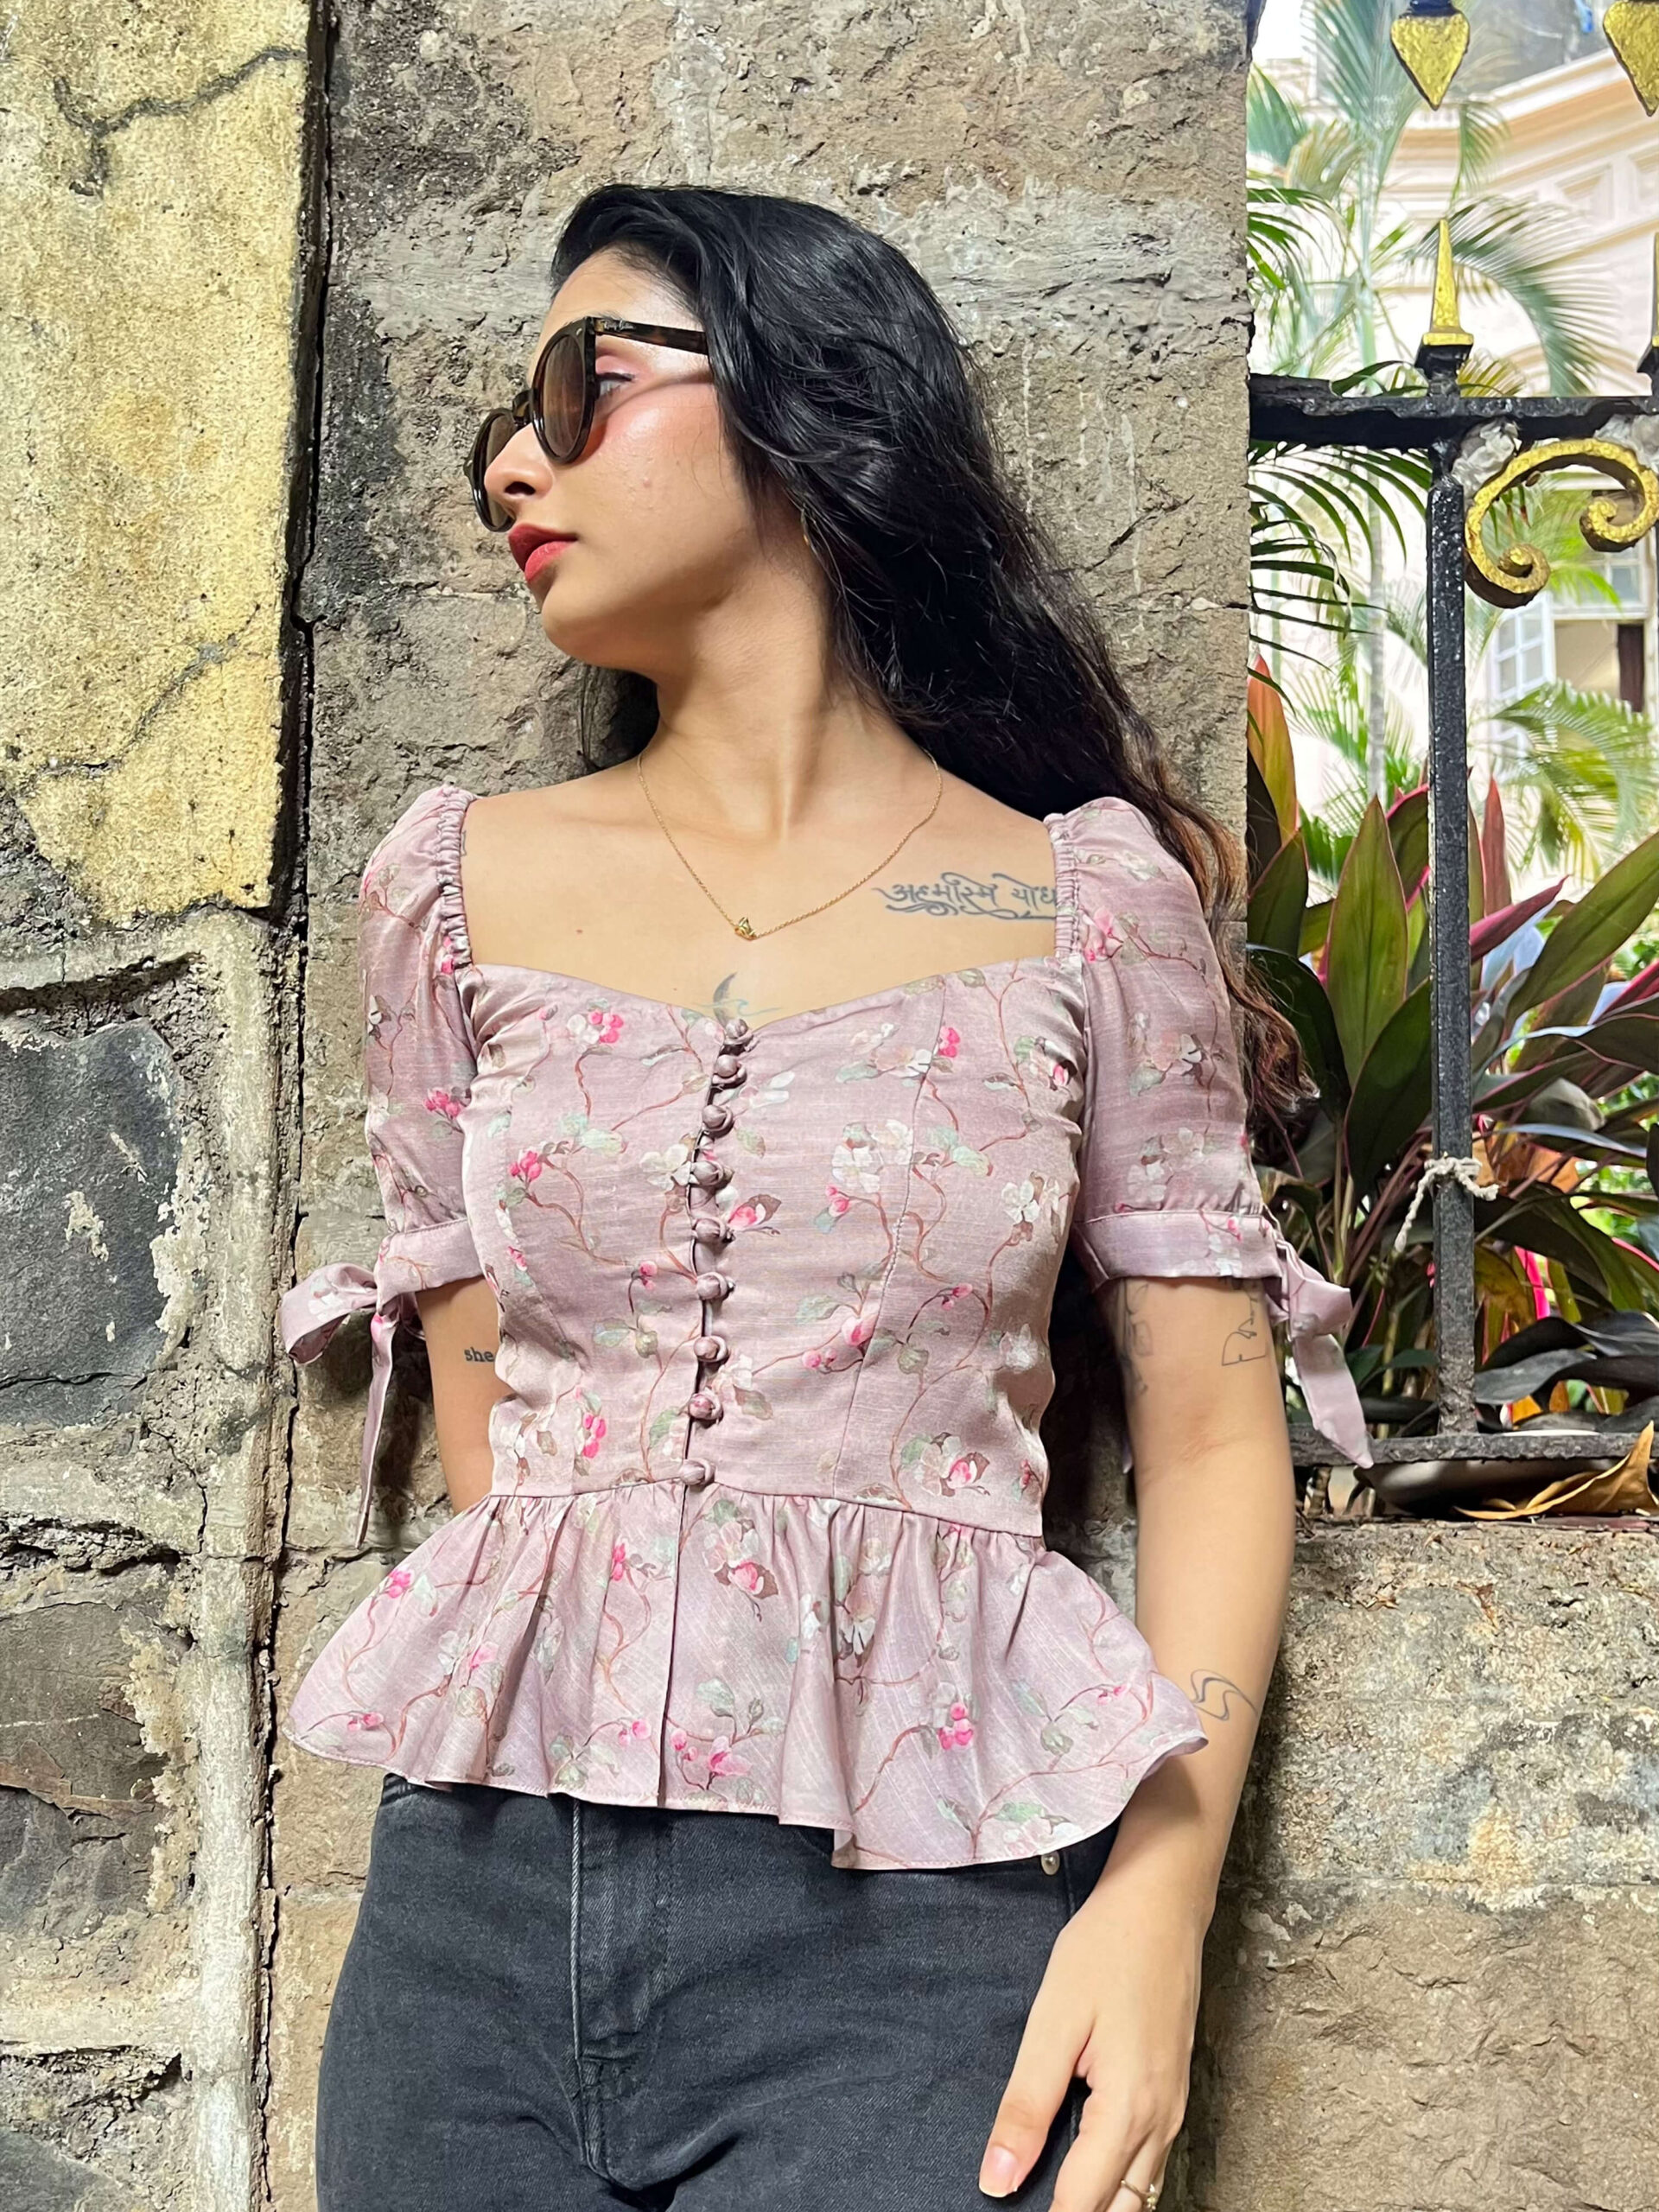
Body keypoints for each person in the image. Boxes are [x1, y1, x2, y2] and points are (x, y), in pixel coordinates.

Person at [279, 183, 1369, 2212]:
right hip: (468, 1928)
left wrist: (1160, 1899)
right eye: (507, 425)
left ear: (800, 397)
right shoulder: (448, 889)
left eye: (579, 386)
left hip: (918, 1929)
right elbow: (488, 1423)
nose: (512, 464)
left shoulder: (1084, 901)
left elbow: (1219, 1434)